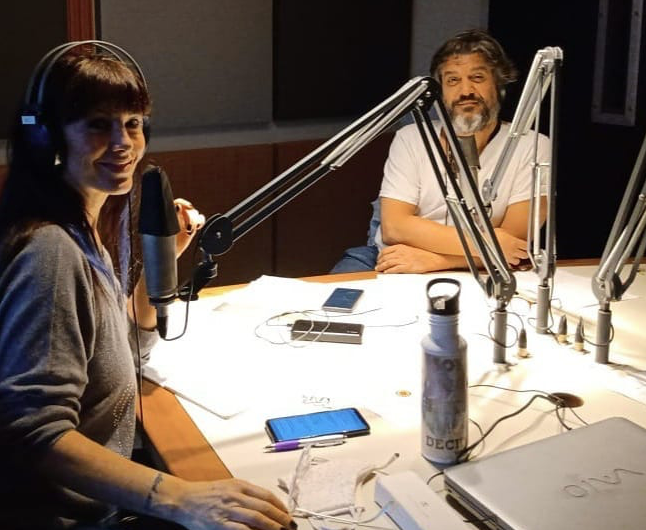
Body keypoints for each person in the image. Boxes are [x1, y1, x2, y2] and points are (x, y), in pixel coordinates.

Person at [0, 42, 294, 530]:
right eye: (98, 124)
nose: (123, 142)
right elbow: (33, 430)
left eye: (133, 123)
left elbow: (124, 352)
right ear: (46, 136)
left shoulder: (84, 232)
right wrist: (178, 498)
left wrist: (165, 261)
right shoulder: (50, 252)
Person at [331, 29, 549, 274]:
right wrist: (488, 244)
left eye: (477, 77)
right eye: (452, 80)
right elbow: (395, 228)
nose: (466, 91)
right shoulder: (412, 138)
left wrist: (439, 261)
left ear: (499, 85)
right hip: (394, 257)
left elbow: (514, 246)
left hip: (478, 267)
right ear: (440, 91)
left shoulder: (531, 146)